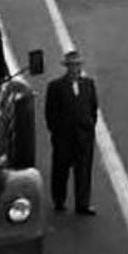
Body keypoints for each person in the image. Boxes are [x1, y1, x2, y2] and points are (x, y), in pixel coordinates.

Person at [44, 50, 99, 216]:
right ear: (67, 67)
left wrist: (89, 127)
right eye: (72, 65)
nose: (75, 68)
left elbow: (93, 108)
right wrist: (57, 131)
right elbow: (50, 112)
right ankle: (59, 200)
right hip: (64, 136)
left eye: (77, 65)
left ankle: (83, 204)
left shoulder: (88, 84)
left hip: (83, 135)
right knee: (61, 169)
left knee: (83, 170)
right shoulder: (56, 86)